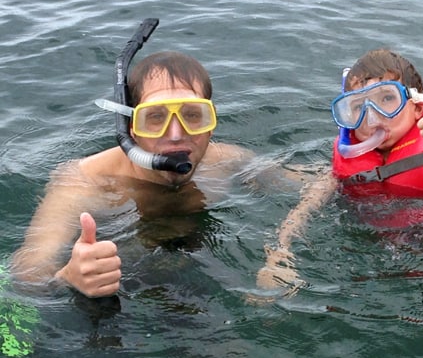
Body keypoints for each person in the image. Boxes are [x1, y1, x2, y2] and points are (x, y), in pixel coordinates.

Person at [11, 50, 253, 298]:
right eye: (155, 117)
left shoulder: (229, 161)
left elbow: (295, 184)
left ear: (211, 124)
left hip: (202, 272)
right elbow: (28, 270)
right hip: (121, 292)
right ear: (132, 129)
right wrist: (68, 277)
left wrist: (280, 252)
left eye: (192, 115)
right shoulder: (84, 182)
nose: (176, 134)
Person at [257, 48, 423, 289]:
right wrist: (280, 253)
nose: (372, 116)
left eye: (386, 99)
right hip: (389, 254)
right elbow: (305, 208)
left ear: (417, 106)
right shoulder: (346, 159)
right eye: (358, 106)